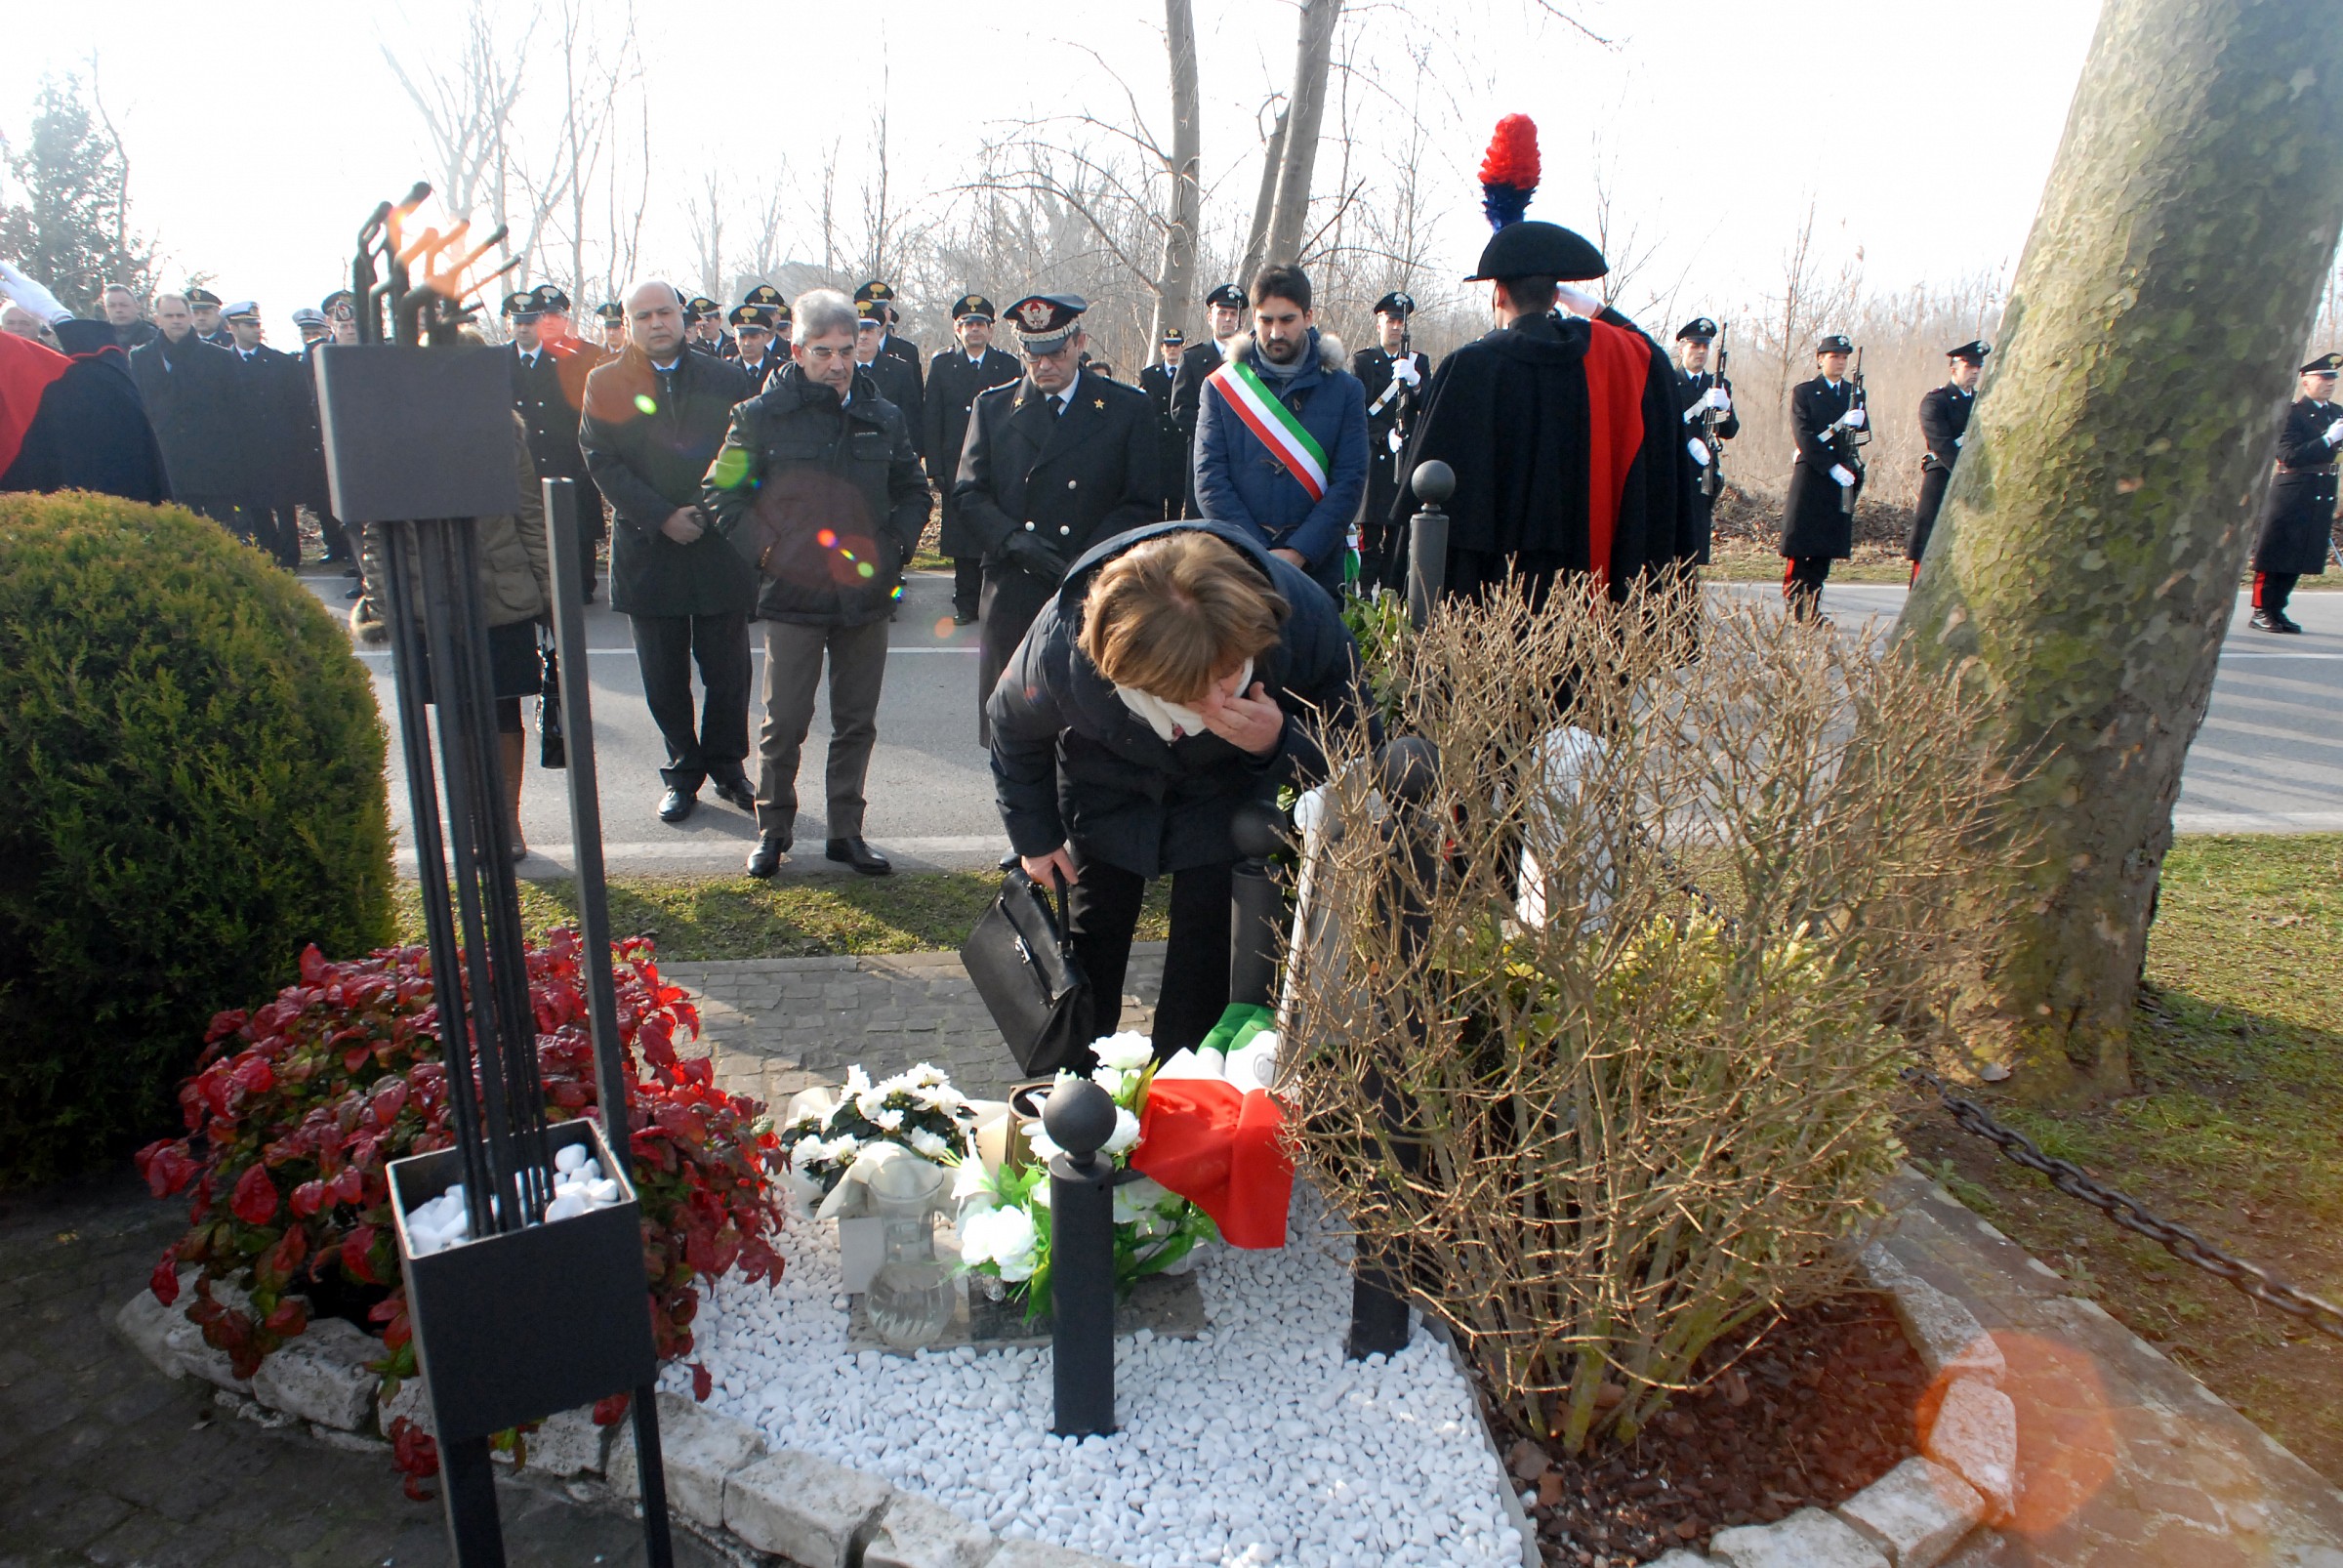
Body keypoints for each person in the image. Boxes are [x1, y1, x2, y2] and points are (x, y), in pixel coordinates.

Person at [989, 524, 1368, 1059]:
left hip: (1226, 799)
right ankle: (1075, 1100)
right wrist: (1034, 836)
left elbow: (1358, 738)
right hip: (1102, 791)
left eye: (1229, 674)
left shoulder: (1297, 614)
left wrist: (1278, 741)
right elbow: (1012, 725)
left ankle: (1183, 1098)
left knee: (1204, 966)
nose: (1215, 702)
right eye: (1189, 694)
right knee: (1087, 956)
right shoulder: (1061, 641)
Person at [1393, 117, 1697, 609]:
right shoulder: (1605, 359)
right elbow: (1653, 359)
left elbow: (1420, 500)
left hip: (1488, 603)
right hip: (1584, 596)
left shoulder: (1469, 369)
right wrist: (1598, 311)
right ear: (1558, 294)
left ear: (1497, 292)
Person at [703, 288, 930, 880]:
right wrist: (770, 551)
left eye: (847, 352)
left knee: (857, 721)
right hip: (792, 596)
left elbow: (913, 490)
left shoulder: (882, 415)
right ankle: (773, 831)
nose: (837, 364)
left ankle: (845, 832)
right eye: (823, 352)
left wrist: (894, 547)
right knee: (785, 723)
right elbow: (720, 491)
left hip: (864, 596)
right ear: (798, 349)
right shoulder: (758, 415)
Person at [580, 280, 761, 825]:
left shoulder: (727, 377)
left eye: (664, 312)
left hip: (717, 545)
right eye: (643, 316)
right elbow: (600, 458)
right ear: (629, 324)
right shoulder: (605, 382)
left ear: (682, 316)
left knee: (728, 670)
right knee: (662, 672)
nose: (656, 323)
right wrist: (661, 516)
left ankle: (728, 766)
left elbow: (747, 449)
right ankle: (683, 770)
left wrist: (704, 511)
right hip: (648, 547)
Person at [954, 293, 1161, 748]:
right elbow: (969, 493)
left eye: (1056, 352)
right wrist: (1012, 540)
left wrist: (1089, 556)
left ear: (1080, 343)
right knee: (1015, 728)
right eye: (1033, 354)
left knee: (1090, 726)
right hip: (1015, 585)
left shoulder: (1126, 409)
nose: (1044, 365)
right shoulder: (993, 409)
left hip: (1095, 585)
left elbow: (1144, 502)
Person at [354, 397, 550, 860]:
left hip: (499, 592)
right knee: (453, 707)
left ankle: (505, 819)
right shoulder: (395, 435)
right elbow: (377, 532)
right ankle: (470, 819)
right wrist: (384, 601)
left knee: (503, 709)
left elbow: (530, 515)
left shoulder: (506, 434)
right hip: (430, 597)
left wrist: (547, 591)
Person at [1194, 265, 1369, 598]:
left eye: (1287, 320)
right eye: (1265, 320)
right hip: (1238, 566)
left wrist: (1298, 552)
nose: (1275, 333)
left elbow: (1350, 481)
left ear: (1308, 316)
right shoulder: (1220, 387)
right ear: (1253, 319)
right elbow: (1209, 480)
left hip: (1317, 568)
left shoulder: (1346, 390)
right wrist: (1259, 554)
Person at [924, 293, 1024, 625]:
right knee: (960, 537)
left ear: (991, 330)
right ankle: (965, 602)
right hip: (955, 464)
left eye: (980, 324)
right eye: (968, 324)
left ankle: (992, 599)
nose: (974, 330)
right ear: (957, 328)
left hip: (996, 463)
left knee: (991, 530)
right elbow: (933, 417)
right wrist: (935, 468)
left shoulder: (1008, 365)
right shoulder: (942, 364)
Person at [0, 311, 170, 502]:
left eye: (23, 322)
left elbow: (105, 394)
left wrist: (58, 315)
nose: (17, 328)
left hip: (47, 463)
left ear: (38, 327)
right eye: (11, 323)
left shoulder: (63, 363)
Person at [128, 291, 254, 537]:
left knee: (222, 530)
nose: (176, 320)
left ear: (190, 317)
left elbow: (237, 408)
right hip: (168, 459)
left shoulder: (218, 357)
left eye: (181, 315)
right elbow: (141, 407)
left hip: (213, 460)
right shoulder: (141, 357)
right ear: (158, 319)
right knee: (179, 531)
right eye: (169, 315)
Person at [507, 286, 604, 601]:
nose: (523, 328)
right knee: (526, 530)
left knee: (569, 529)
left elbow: (583, 414)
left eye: (530, 322)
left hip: (562, 460)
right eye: (517, 322)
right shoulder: (495, 363)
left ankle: (575, 586)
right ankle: (534, 587)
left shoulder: (568, 362)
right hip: (519, 464)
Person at [2249, 351, 2343, 633]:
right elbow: (2288, 455)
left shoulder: (2336, 412)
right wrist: (2328, 438)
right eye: (2324, 378)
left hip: (2322, 488)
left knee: (2300, 553)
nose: (2330, 383)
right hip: (2293, 487)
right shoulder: (2292, 413)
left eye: (2333, 378)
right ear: (2305, 381)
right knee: (2277, 550)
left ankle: (2278, 609)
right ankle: (2262, 609)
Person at [1780, 333, 1866, 621]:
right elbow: (1803, 434)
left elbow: (1863, 436)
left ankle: (1813, 606)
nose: (1840, 362)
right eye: (1834, 357)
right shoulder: (1804, 392)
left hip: (1840, 479)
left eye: (1843, 357)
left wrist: (1860, 424)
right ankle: (1797, 604)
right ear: (1820, 360)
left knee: (1826, 547)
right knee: (1803, 544)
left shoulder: (1854, 394)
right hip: (1813, 474)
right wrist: (1830, 466)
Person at [222, 301, 308, 567]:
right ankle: (268, 552)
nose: (256, 330)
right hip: (245, 448)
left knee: (284, 504)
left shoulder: (281, 363)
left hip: (279, 445)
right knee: (255, 505)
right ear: (231, 328)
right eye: (249, 325)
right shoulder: (222, 363)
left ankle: (290, 555)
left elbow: (299, 407)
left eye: (257, 324)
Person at [1352, 293, 1430, 588]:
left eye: (1401, 321)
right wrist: (1383, 436)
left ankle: (1391, 603)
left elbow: (1429, 404)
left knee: (1398, 545)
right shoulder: (1363, 362)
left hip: (1404, 461)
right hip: (1375, 460)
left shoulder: (1417, 362)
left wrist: (1416, 381)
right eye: (1391, 320)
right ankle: (1363, 604)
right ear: (1379, 323)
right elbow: (1356, 411)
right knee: (1369, 544)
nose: (1396, 327)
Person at [1907, 340, 1988, 580]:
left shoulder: (1982, 402)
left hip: (1975, 477)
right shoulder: (1937, 401)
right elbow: (1941, 443)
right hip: (1943, 474)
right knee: (1929, 542)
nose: (1974, 372)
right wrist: (1966, 473)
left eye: (1978, 367)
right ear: (1954, 369)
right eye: (1969, 366)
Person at [1171, 283, 1246, 516]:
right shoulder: (1193, 358)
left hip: (1244, 454)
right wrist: (1214, 430)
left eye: (1233, 314)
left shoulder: (1250, 359)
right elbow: (1180, 410)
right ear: (1209, 317)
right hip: (1205, 452)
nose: (1228, 319)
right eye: (1222, 313)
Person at [1673, 317, 1739, 566]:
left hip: (1704, 470)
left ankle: (1689, 596)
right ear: (1682, 348)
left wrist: (1725, 406)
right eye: (1694, 346)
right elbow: (1659, 424)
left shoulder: (1719, 385)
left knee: (1696, 542)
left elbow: (1729, 431)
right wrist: (1688, 441)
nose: (1701, 352)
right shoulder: (1669, 380)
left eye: (1705, 347)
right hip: (1676, 468)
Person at [854, 297, 925, 455]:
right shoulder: (839, 370)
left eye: (868, 330)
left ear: (879, 333)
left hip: (890, 456)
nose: (863, 336)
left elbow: (911, 421)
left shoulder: (901, 371)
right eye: (858, 330)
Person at [856, 280, 924, 382]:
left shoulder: (908, 352)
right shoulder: (845, 356)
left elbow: (915, 395)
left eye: (882, 310)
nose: (878, 316)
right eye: (871, 311)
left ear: (889, 313)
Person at [730, 302, 787, 394]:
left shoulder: (780, 371)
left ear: (765, 337)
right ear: (735, 339)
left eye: (753, 337)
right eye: (742, 337)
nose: (747, 343)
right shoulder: (725, 371)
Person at [101, 284, 156, 351]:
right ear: (105, 308)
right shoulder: (97, 337)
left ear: (137, 307)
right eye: (112, 306)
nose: (118, 310)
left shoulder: (154, 337)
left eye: (124, 305)